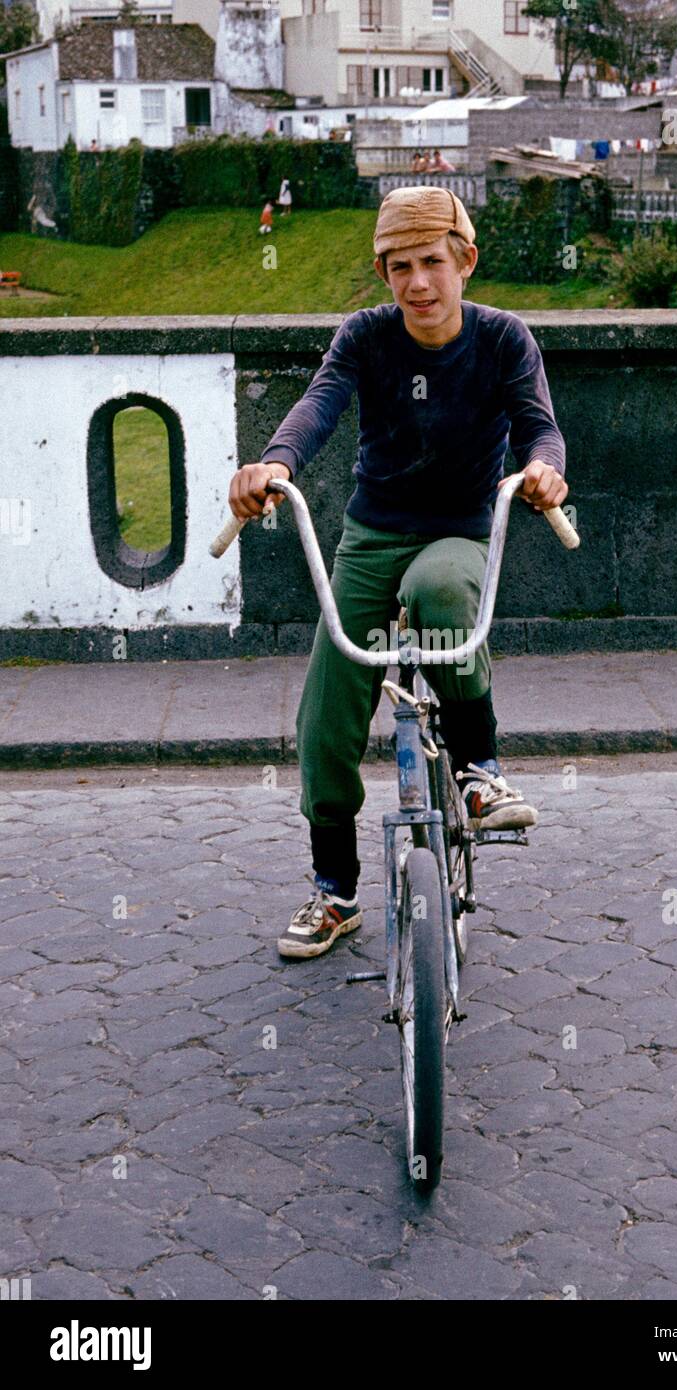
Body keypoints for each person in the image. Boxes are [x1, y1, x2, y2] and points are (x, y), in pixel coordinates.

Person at [228, 186, 568, 960]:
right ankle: (335, 893)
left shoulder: (503, 339)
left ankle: (480, 771)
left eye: (432, 263)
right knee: (324, 722)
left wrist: (544, 472)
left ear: (465, 262)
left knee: (441, 591)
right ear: (384, 274)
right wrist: (273, 465)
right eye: (399, 267)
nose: (417, 283)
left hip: (456, 532)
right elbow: (318, 404)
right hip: (371, 536)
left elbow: (538, 426)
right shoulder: (366, 337)